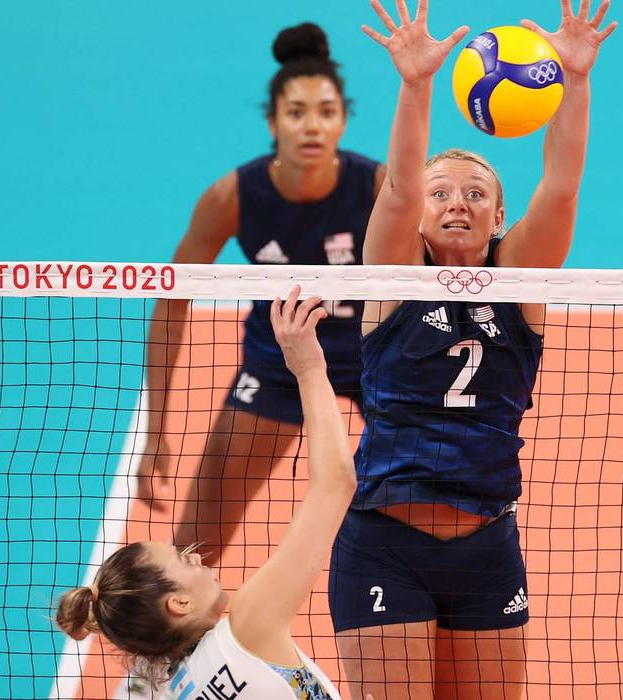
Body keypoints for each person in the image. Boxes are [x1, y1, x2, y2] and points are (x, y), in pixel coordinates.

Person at [334, 0, 615, 697]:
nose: (456, 201)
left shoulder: (522, 284)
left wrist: (575, 82)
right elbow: (396, 189)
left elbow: (560, 185)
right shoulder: (391, 280)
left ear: (498, 217)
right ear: (421, 217)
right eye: (442, 193)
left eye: (475, 192)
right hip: (385, 545)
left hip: (488, 547)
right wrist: (415, 83)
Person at [135, 22, 384, 561]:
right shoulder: (232, 197)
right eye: (296, 112)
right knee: (194, 545)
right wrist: (155, 430)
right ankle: (170, 644)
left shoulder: (377, 186)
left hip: (374, 354)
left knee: (425, 501)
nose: (312, 126)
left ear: (343, 118)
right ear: (273, 121)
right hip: (278, 360)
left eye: (325, 111)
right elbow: (172, 299)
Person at [58, 288, 356, 699]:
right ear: (178, 604)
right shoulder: (250, 627)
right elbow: (335, 483)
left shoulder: (156, 688)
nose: (196, 553)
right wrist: (307, 368)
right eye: (183, 559)